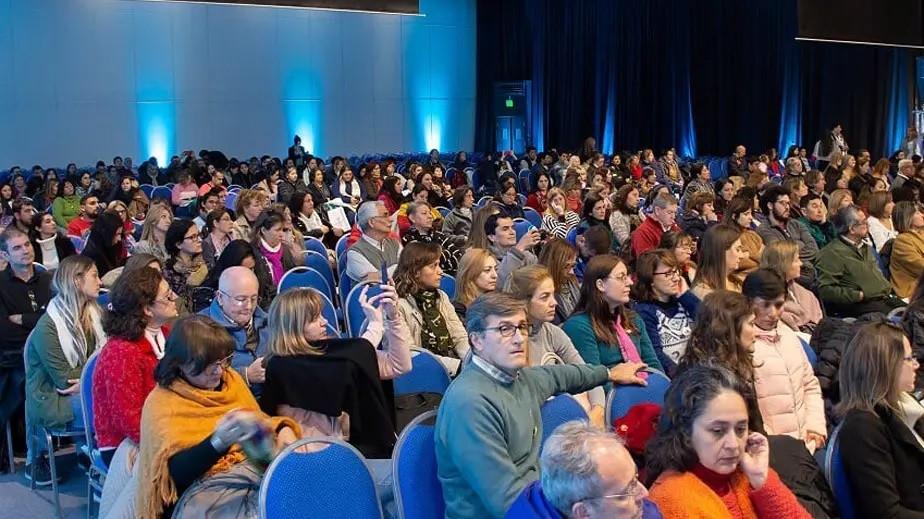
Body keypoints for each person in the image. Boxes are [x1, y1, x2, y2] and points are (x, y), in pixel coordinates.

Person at [435, 292, 648, 519]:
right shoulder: (469, 404)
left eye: (522, 327)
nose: (519, 338)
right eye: (505, 329)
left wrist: (608, 373)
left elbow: (560, 376)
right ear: (477, 340)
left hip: (535, 500)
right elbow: (507, 501)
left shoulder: (520, 378)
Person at [135, 315, 299, 518]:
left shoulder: (231, 380)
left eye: (223, 361)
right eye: (208, 365)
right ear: (180, 364)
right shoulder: (161, 402)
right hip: (202, 489)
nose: (219, 371)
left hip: (249, 471)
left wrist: (282, 429)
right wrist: (218, 442)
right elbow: (172, 477)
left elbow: (260, 422)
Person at [259, 285, 411, 504]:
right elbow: (348, 362)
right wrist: (375, 327)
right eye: (314, 319)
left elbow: (399, 365)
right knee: (409, 476)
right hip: (319, 470)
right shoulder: (281, 367)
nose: (324, 322)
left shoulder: (335, 355)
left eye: (321, 315)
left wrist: (393, 318)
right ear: (293, 326)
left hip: (350, 455)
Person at [645, 364, 811, 518]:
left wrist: (762, 480)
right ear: (686, 433)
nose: (734, 444)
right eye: (718, 431)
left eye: (740, 429)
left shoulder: (746, 474)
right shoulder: (671, 497)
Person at [93, 267, 178, 517]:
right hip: (124, 445)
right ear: (147, 309)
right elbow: (129, 422)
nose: (174, 298)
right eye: (167, 296)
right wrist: (176, 440)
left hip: (162, 432)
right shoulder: (121, 352)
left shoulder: (166, 335)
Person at [24, 255, 105, 483]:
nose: (100, 282)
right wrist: (96, 378)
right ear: (77, 281)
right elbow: (64, 380)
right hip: (52, 398)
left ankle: (99, 457)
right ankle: (106, 463)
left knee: (121, 397)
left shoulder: (93, 314)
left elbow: (107, 360)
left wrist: (91, 380)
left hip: (82, 390)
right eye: (94, 276)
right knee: (112, 405)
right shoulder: (48, 327)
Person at [836, 321, 924, 516]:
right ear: (887, 366)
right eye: (909, 359)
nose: (916, 365)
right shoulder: (862, 428)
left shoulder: (906, 408)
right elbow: (886, 513)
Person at [507, 266, 606, 426]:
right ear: (523, 303)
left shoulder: (553, 333)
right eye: (545, 297)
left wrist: (598, 410)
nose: (554, 303)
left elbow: (588, 374)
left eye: (553, 294)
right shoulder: (507, 342)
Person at [742, 270, 827, 453]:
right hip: (772, 450)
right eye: (765, 305)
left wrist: (815, 427)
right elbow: (747, 411)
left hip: (807, 442)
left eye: (779, 304)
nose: (773, 313)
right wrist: (777, 447)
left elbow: (809, 385)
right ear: (748, 303)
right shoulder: (742, 346)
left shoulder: (789, 335)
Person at [507, 421, 662, 519]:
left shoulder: (638, 510)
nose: (644, 493)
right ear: (584, 513)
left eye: (635, 478)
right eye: (627, 491)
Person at [0, 228, 53, 470]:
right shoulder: (1, 285)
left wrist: (24, 319)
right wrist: (41, 321)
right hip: (15, 357)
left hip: (51, 352)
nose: (25, 250)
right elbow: (5, 332)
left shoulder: (48, 280)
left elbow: (58, 320)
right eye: (17, 248)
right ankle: (37, 455)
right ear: (5, 255)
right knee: (33, 383)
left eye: (27, 244)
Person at [562, 255, 663, 382]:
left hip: (645, 388)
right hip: (614, 392)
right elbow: (592, 382)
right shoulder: (578, 327)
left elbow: (653, 365)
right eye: (621, 277)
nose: (630, 282)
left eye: (628, 276)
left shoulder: (633, 319)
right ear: (600, 285)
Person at [394, 242, 470, 375]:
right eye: (433, 266)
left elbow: (459, 336)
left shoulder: (441, 296)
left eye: (439, 265)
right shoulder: (396, 305)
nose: (441, 271)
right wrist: (458, 367)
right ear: (416, 271)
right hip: (422, 373)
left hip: (454, 365)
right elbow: (410, 353)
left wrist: (471, 362)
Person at [816, 205, 904, 317]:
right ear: (852, 229)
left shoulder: (865, 248)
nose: (868, 225)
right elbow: (825, 290)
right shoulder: (831, 253)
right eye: (863, 223)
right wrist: (859, 295)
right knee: (903, 320)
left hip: (885, 299)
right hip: (860, 306)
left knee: (915, 312)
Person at [632, 249, 699, 376]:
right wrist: (684, 377)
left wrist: (686, 296)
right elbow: (656, 355)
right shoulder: (644, 311)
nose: (676, 278)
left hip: (699, 372)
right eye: (668, 274)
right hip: (676, 378)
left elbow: (710, 322)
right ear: (650, 279)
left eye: (676, 271)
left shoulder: (683, 301)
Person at [755, 186, 818, 285]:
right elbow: (782, 255)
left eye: (788, 203)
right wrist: (799, 249)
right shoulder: (764, 230)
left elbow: (813, 248)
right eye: (782, 203)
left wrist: (794, 256)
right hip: (791, 276)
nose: (787, 207)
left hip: (812, 270)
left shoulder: (796, 224)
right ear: (770, 205)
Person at [759, 240, 822, 332]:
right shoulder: (764, 298)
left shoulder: (807, 295)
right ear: (783, 263)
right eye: (796, 260)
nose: (801, 263)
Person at [402, 201, 465, 275]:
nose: (430, 216)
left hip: (453, 275)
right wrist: (448, 253)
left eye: (430, 213)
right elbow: (425, 263)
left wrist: (438, 258)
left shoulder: (439, 235)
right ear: (412, 218)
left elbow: (458, 254)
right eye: (424, 213)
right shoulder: (409, 239)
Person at [347, 201, 403, 283]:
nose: (391, 219)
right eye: (385, 215)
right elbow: (375, 281)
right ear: (371, 222)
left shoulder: (394, 243)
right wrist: (400, 268)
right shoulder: (355, 252)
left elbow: (409, 268)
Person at [163, 219, 209, 316]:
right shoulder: (168, 272)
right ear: (178, 244)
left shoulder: (206, 265)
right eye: (193, 237)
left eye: (199, 235)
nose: (200, 240)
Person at [691, 224, 745, 299]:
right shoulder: (704, 294)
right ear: (720, 252)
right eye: (737, 250)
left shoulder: (738, 282)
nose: (742, 256)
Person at [538, 238, 581, 322]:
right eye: (566, 266)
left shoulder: (573, 283)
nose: (571, 272)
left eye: (573, 266)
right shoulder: (542, 294)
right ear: (553, 265)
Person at [250, 211, 296, 287]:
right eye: (277, 230)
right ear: (263, 230)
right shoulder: (253, 253)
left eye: (282, 230)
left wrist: (294, 250)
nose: (282, 234)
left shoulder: (286, 249)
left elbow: (294, 275)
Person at [889, 201, 924, 299]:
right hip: (913, 290)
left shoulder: (921, 233)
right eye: (917, 213)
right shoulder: (902, 241)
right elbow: (921, 266)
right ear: (907, 217)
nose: (922, 215)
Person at [723, 196, 763, 279]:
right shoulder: (726, 237)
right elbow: (738, 263)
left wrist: (749, 255)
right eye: (746, 214)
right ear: (734, 216)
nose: (751, 217)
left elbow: (766, 257)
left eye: (751, 213)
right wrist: (757, 259)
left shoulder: (753, 235)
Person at [453, 248, 498, 321]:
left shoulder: (498, 303)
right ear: (470, 274)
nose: (495, 275)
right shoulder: (458, 310)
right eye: (487, 270)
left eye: (496, 269)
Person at [631, 192, 679, 258]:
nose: (673, 217)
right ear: (657, 210)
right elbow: (647, 261)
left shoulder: (674, 227)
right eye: (669, 212)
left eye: (675, 213)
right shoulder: (643, 232)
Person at [80, 211, 126, 278]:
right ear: (106, 233)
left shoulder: (110, 248)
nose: (119, 239)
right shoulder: (91, 258)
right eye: (117, 234)